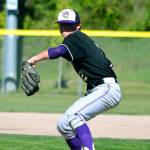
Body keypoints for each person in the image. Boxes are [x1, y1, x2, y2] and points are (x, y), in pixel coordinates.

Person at [27, 8, 122, 150]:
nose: (65, 28)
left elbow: (58, 51)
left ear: (78, 26)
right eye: (62, 24)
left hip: (106, 89)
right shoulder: (78, 41)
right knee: (64, 125)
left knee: (74, 116)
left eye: (69, 24)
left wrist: (34, 59)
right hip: (98, 89)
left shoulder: (75, 37)